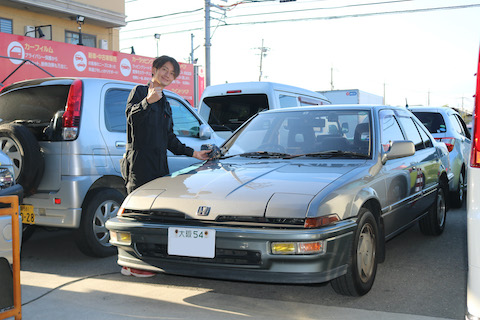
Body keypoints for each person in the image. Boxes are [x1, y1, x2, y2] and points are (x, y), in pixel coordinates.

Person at [120, 55, 210, 277]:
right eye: (164, 70)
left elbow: (170, 139)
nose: (167, 75)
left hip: (160, 166)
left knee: (155, 214)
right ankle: (130, 263)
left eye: (172, 73)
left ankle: (145, 259)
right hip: (139, 164)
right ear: (154, 69)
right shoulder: (140, 92)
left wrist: (194, 153)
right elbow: (131, 119)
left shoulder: (166, 103)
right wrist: (146, 102)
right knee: (136, 213)